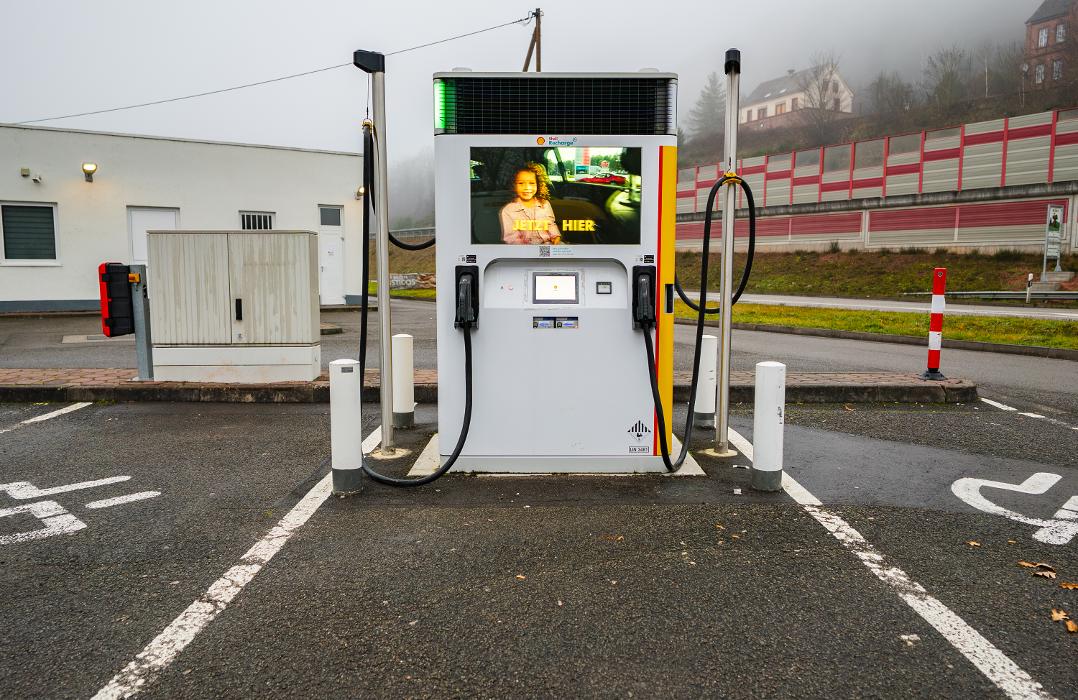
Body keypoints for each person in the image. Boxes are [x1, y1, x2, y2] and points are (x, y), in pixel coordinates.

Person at [499, 163, 561, 244]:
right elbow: (512, 238)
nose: (527, 188)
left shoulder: (545, 204)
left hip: (548, 245)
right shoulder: (508, 211)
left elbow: (550, 224)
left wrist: (556, 236)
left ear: (538, 185)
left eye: (531, 183)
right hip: (525, 251)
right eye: (521, 183)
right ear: (514, 185)